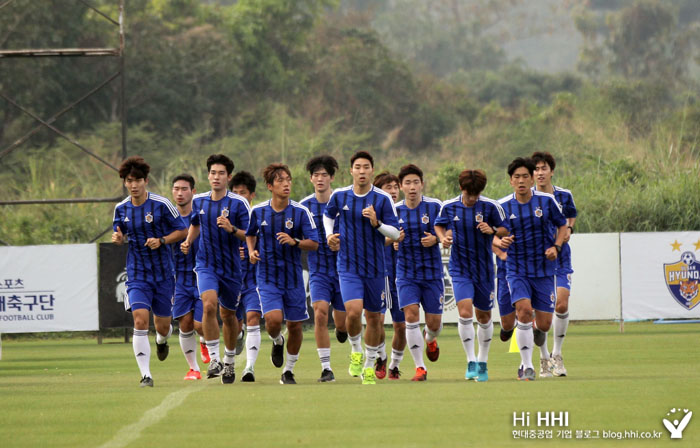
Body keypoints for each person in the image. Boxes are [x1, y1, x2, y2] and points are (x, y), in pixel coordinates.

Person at [323, 151, 400, 385]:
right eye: (358, 167)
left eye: (366, 167)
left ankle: (368, 364)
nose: (362, 171)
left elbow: (396, 233)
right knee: (354, 312)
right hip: (348, 266)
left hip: (376, 268)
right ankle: (356, 350)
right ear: (351, 171)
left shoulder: (383, 200)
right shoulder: (340, 196)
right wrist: (329, 236)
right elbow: (328, 216)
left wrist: (377, 223)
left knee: (375, 318)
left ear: (372, 170)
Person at [112, 156, 187, 387]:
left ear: (146, 181)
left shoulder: (161, 205)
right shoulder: (121, 208)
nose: (133, 185)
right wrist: (118, 238)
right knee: (140, 320)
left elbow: (183, 232)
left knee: (162, 325)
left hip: (164, 274)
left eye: (137, 180)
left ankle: (162, 339)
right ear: (125, 182)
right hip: (137, 274)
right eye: (129, 180)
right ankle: (146, 375)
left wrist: (162, 240)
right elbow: (119, 231)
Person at [246, 163, 319, 385]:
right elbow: (250, 234)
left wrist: (295, 241)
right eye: (280, 180)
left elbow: (314, 243)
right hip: (267, 277)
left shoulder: (300, 212)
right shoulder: (258, 211)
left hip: (293, 279)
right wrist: (251, 251)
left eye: (288, 180)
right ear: (270, 186)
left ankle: (288, 370)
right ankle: (277, 341)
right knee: (273, 320)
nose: (286, 184)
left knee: (296, 325)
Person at [181, 154, 250, 384]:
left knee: (228, 316)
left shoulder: (239, 204)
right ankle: (214, 359)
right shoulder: (199, 201)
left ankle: (229, 361)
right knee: (208, 305)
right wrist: (188, 241)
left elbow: (250, 235)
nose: (216, 177)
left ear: (228, 177)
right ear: (208, 175)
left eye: (221, 173)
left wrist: (231, 229)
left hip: (231, 268)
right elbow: (195, 224)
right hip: (206, 265)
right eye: (213, 173)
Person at [497, 157, 568, 381]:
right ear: (510, 181)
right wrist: (500, 245)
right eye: (516, 177)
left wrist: (556, 247)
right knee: (524, 312)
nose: (521, 181)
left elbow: (562, 225)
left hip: (544, 269)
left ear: (531, 178)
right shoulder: (502, 206)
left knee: (544, 324)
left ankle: (536, 336)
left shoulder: (546, 202)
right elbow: (490, 234)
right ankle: (526, 366)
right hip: (516, 268)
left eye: (525, 176)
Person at [435, 169, 508, 382]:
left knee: (484, 317)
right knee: (465, 312)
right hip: (460, 269)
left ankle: (483, 362)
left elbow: (505, 229)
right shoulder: (449, 206)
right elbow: (438, 225)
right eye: (469, 194)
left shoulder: (491, 206)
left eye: (476, 194)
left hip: (484, 270)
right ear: (461, 188)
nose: (473, 198)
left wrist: (492, 230)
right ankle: (471, 361)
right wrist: (442, 238)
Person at [300, 155, 348, 383]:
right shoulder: (304, 206)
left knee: (342, 322)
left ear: (332, 178)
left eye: (324, 175)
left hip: (344, 268)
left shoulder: (342, 201)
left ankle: (342, 329)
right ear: (311, 178)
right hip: (318, 269)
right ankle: (326, 368)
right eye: (316, 175)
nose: (320, 179)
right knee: (319, 314)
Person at [394, 164, 444, 382]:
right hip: (406, 273)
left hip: (432, 274)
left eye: (416, 182)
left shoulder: (435, 207)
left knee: (434, 324)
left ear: (422, 184)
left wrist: (436, 239)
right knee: (410, 316)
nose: (412, 187)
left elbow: (448, 231)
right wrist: (393, 240)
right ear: (401, 186)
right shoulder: (394, 210)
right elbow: (384, 237)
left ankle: (430, 340)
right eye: (408, 183)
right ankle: (419, 368)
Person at [531, 151, 577, 377]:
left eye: (543, 169)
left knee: (561, 304)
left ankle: (557, 355)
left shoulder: (564, 196)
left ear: (551, 171)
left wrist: (568, 230)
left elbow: (571, 218)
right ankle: (543, 357)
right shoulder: (526, 197)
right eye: (536, 169)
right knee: (541, 314)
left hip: (560, 257)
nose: (540, 173)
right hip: (535, 261)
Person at [229, 171, 264, 382]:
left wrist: (253, 252)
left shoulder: (260, 215)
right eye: (235, 193)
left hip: (254, 278)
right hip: (232, 278)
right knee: (233, 322)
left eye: (243, 193)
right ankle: (238, 335)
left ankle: (249, 368)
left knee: (253, 318)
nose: (239, 197)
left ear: (252, 195)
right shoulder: (225, 218)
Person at [372, 171, 407, 380]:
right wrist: (390, 238)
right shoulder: (373, 214)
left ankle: (394, 364)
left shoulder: (407, 210)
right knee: (377, 320)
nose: (393, 191)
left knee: (401, 326)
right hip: (381, 273)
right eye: (388, 188)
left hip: (403, 275)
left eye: (395, 187)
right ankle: (381, 356)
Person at [171, 174, 206, 380]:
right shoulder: (168, 217)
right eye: (176, 189)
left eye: (184, 189)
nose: (180, 193)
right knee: (184, 323)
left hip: (202, 273)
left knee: (200, 324)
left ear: (193, 191)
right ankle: (193, 369)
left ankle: (204, 341)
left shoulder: (201, 214)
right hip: (179, 277)